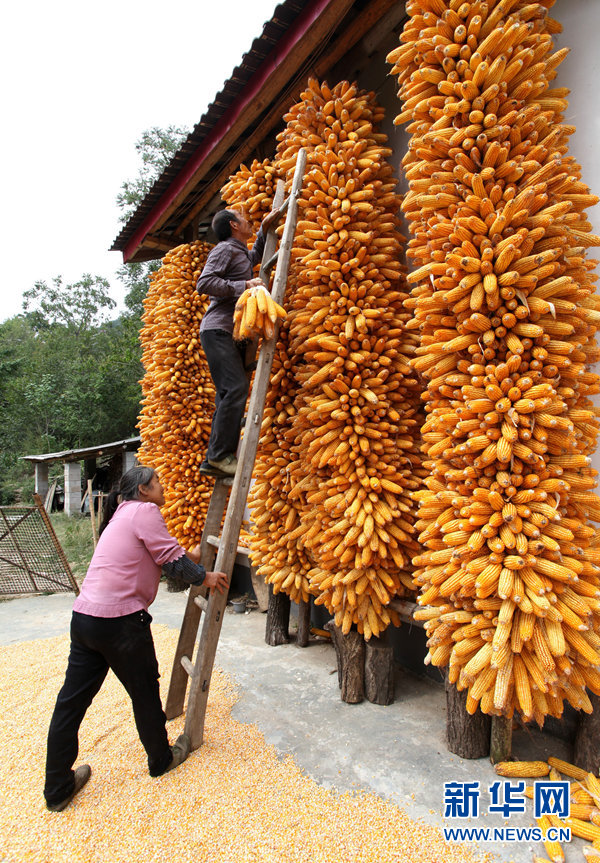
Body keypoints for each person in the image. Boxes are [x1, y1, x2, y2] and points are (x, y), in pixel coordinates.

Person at [44, 465, 229, 812]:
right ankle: (161, 759)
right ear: (143, 490)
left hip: (84, 618)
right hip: (120, 624)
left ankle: (56, 788)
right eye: (157, 482)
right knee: (144, 691)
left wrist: (186, 558)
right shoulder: (146, 510)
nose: (162, 487)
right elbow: (172, 564)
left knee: (70, 702)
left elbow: (157, 554)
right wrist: (205, 576)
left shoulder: (120, 515)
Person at [197, 207, 280, 477]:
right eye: (244, 219)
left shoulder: (239, 251)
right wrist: (243, 286)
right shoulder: (223, 249)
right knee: (235, 388)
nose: (249, 221)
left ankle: (215, 460)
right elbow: (205, 282)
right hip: (217, 330)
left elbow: (254, 257)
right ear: (233, 225)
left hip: (229, 333)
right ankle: (220, 456)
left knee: (227, 393)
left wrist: (265, 230)